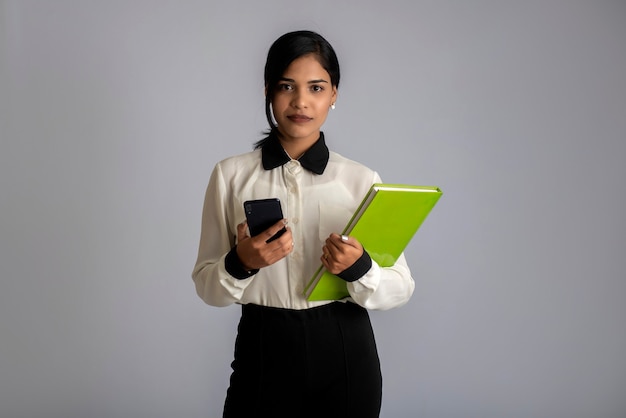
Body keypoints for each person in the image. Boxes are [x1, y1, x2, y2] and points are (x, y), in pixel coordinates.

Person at [192, 30, 415, 418]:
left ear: (334, 94)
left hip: (345, 351)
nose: (301, 102)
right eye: (286, 86)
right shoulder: (230, 176)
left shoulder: (362, 180)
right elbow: (208, 287)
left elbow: (401, 287)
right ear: (267, 90)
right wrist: (241, 261)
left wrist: (360, 268)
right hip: (263, 347)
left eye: (316, 87)